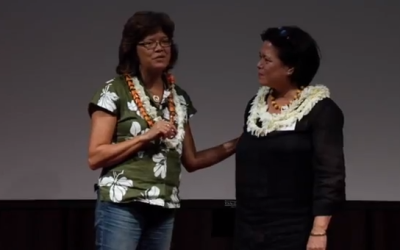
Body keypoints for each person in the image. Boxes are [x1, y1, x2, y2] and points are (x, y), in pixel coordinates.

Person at [87, 11, 238, 250]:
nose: (160, 48)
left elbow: (193, 160)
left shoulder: (178, 98)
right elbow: (96, 157)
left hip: (164, 206)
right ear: (133, 49)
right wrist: (147, 135)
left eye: (165, 41)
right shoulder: (113, 91)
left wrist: (239, 143)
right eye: (149, 43)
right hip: (122, 204)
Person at [234, 26, 346, 250]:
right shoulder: (255, 107)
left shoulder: (320, 110)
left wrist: (319, 232)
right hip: (248, 229)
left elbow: (330, 175)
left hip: (294, 230)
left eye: (267, 60)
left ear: (290, 68)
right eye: (259, 58)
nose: (259, 65)